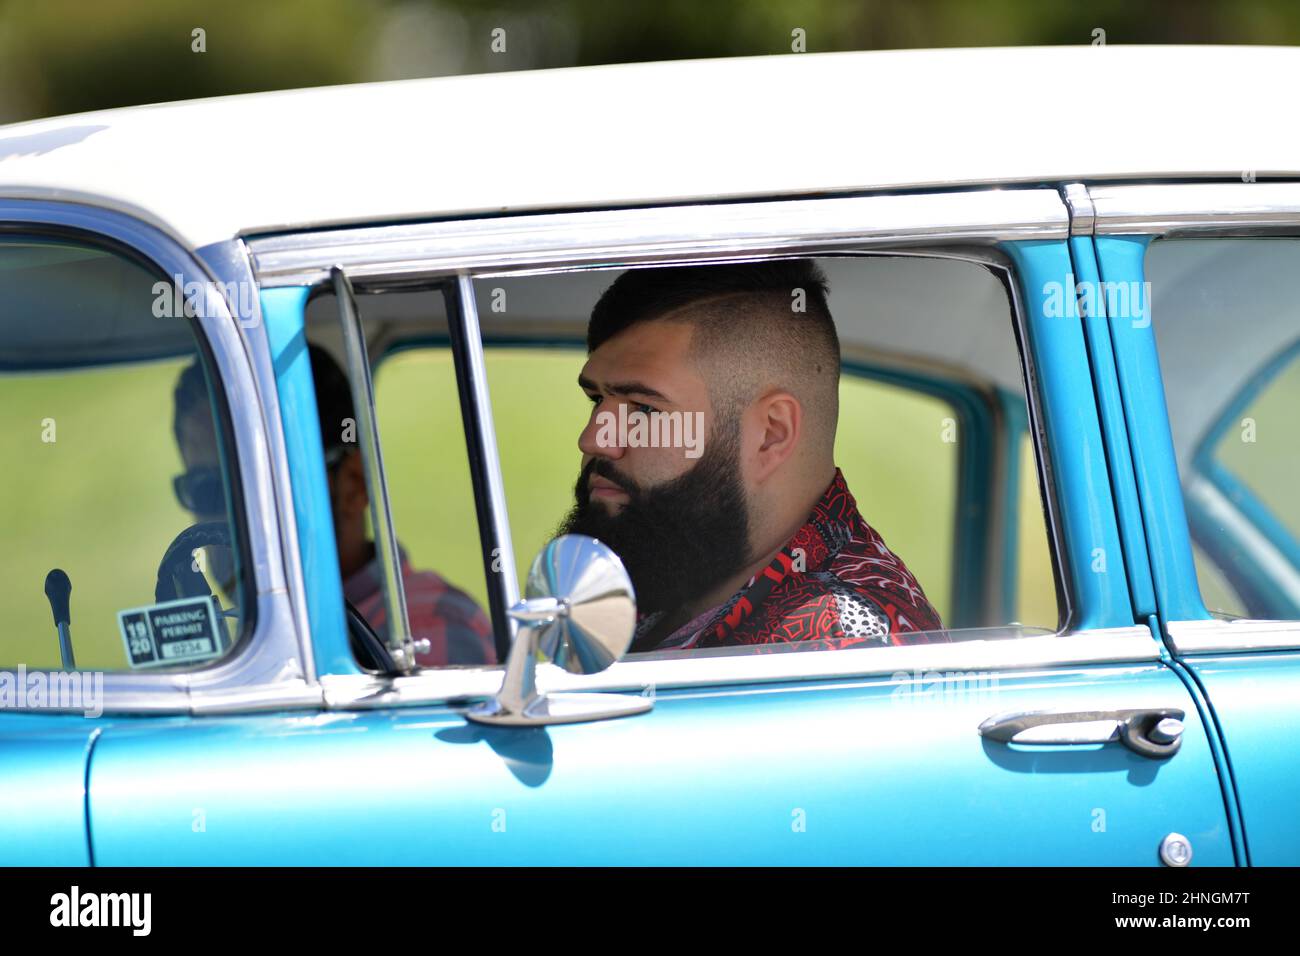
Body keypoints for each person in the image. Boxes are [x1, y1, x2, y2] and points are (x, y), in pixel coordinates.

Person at [558, 260, 946, 653]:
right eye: (597, 400)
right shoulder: (674, 567)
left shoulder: (842, 642)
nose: (594, 440)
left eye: (645, 410)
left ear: (770, 434)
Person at [172, 346, 495, 667]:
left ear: (352, 484)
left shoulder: (423, 630)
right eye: (206, 489)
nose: (228, 518)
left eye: (261, 486)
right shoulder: (254, 646)